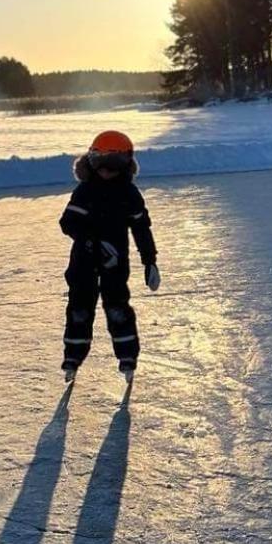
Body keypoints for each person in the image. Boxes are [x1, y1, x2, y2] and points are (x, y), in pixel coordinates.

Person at [58, 130, 160, 386]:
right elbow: (68, 222)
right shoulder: (85, 191)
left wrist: (150, 260)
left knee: (117, 308)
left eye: (113, 164)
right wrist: (91, 240)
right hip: (83, 263)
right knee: (79, 309)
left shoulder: (128, 193)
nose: (105, 170)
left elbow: (141, 228)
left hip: (115, 265)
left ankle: (127, 357)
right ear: (91, 161)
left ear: (125, 164)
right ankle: (73, 357)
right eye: (100, 162)